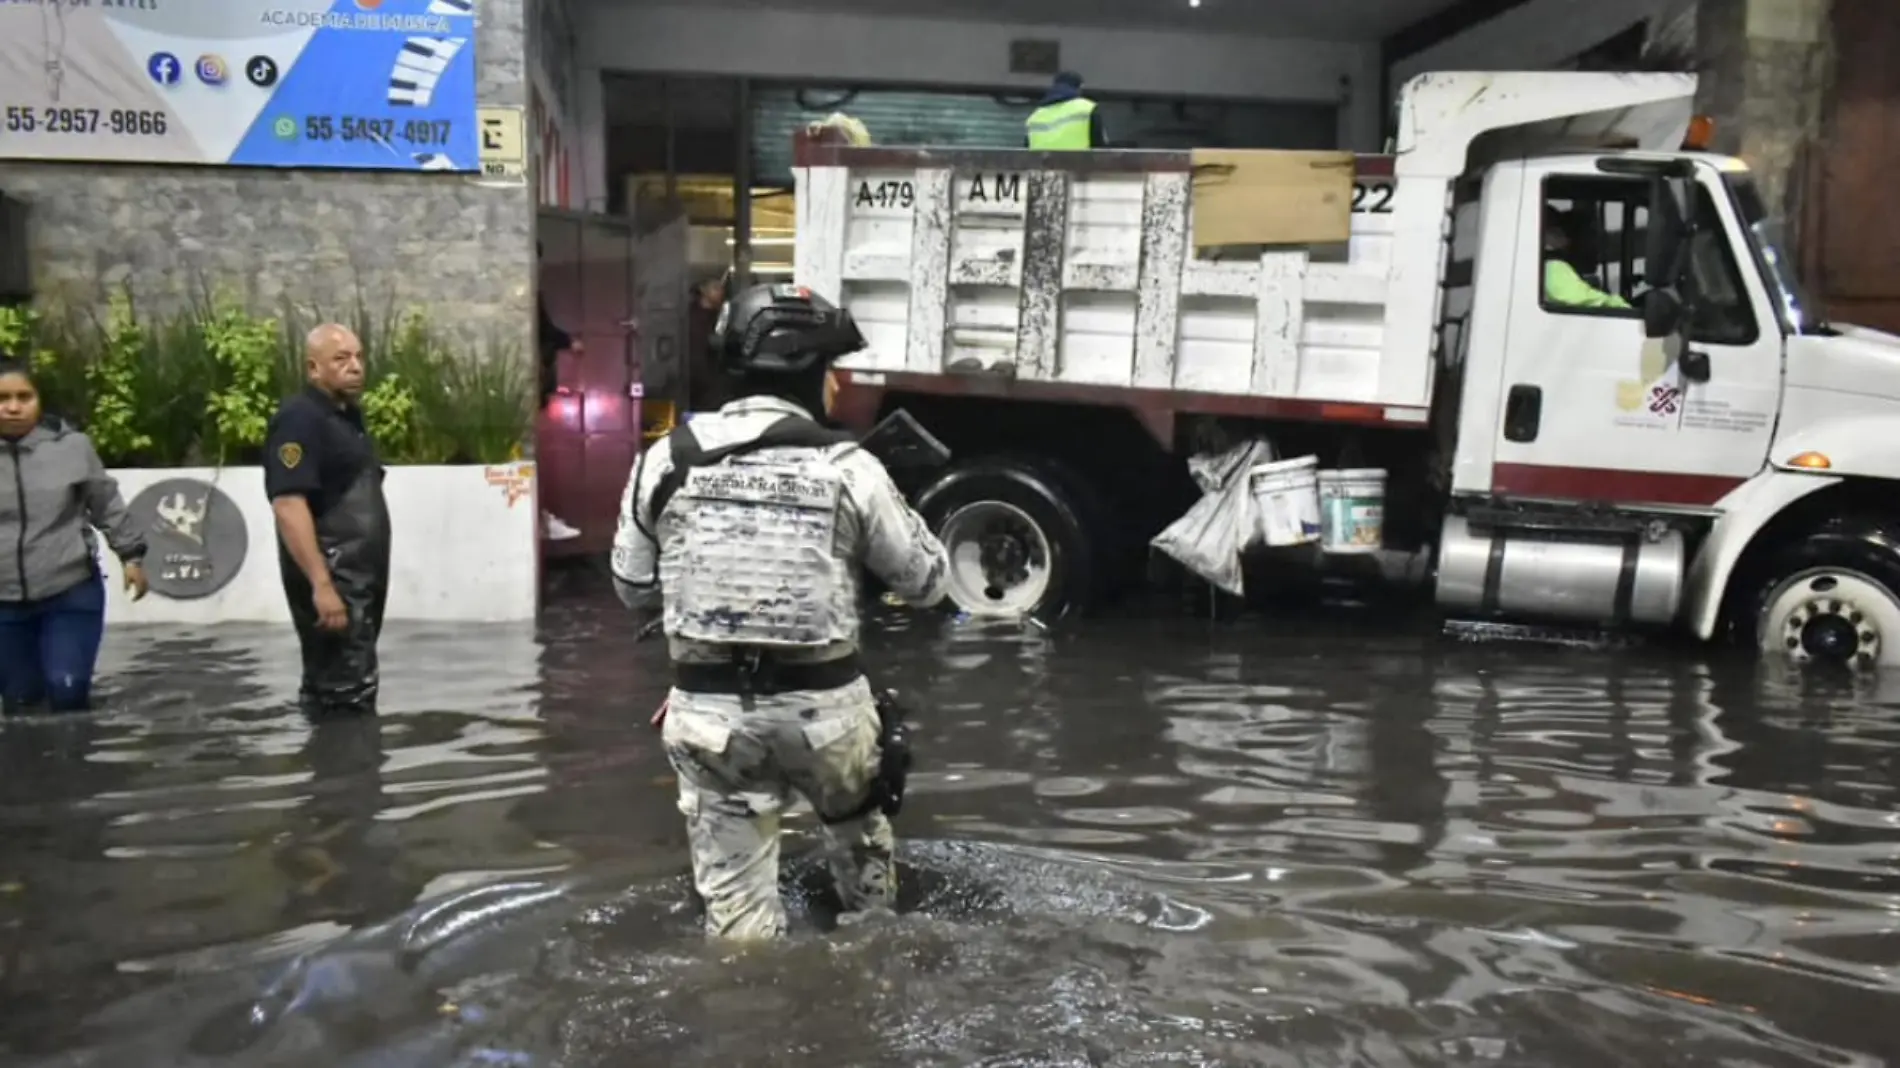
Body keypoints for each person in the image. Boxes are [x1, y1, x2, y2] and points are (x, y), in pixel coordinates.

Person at [611, 283, 950, 941]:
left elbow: (631, 587)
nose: (837, 384)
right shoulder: (850, 467)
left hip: (711, 723)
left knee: (739, 928)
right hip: (829, 722)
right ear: (807, 368)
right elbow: (929, 583)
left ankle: (751, 1015)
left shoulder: (667, 458)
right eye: (833, 368)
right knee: (869, 893)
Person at [0, 359, 147, 714]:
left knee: (68, 692)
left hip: (69, 591)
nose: (14, 407)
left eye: (24, 396)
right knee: (20, 703)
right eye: (3, 398)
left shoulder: (72, 447)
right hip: (3, 603)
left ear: (40, 400)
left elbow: (106, 503)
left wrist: (131, 556)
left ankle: (76, 764)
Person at [263, 324, 391, 720]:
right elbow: (288, 504)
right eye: (341, 359)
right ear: (313, 369)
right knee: (347, 693)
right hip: (335, 581)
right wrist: (322, 585)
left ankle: (328, 772)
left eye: (358, 356)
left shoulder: (346, 417)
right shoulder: (299, 419)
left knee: (336, 685)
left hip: (358, 582)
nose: (355, 367)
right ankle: (348, 776)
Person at [535, 241, 583, 542]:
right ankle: (541, 517)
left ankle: (541, 516)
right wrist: (569, 342)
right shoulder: (527, 292)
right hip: (532, 381)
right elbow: (544, 330)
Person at [1542, 206, 1630, 310]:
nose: (1598, 243)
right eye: (1557, 230)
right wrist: (1622, 307)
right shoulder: (1552, 268)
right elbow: (1583, 299)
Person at [1025, 70, 1106, 150]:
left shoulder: (1035, 116)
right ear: (1079, 87)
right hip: (1080, 162)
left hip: (1042, 163)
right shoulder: (1087, 108)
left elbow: (1026, 149)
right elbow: (1100, 148)